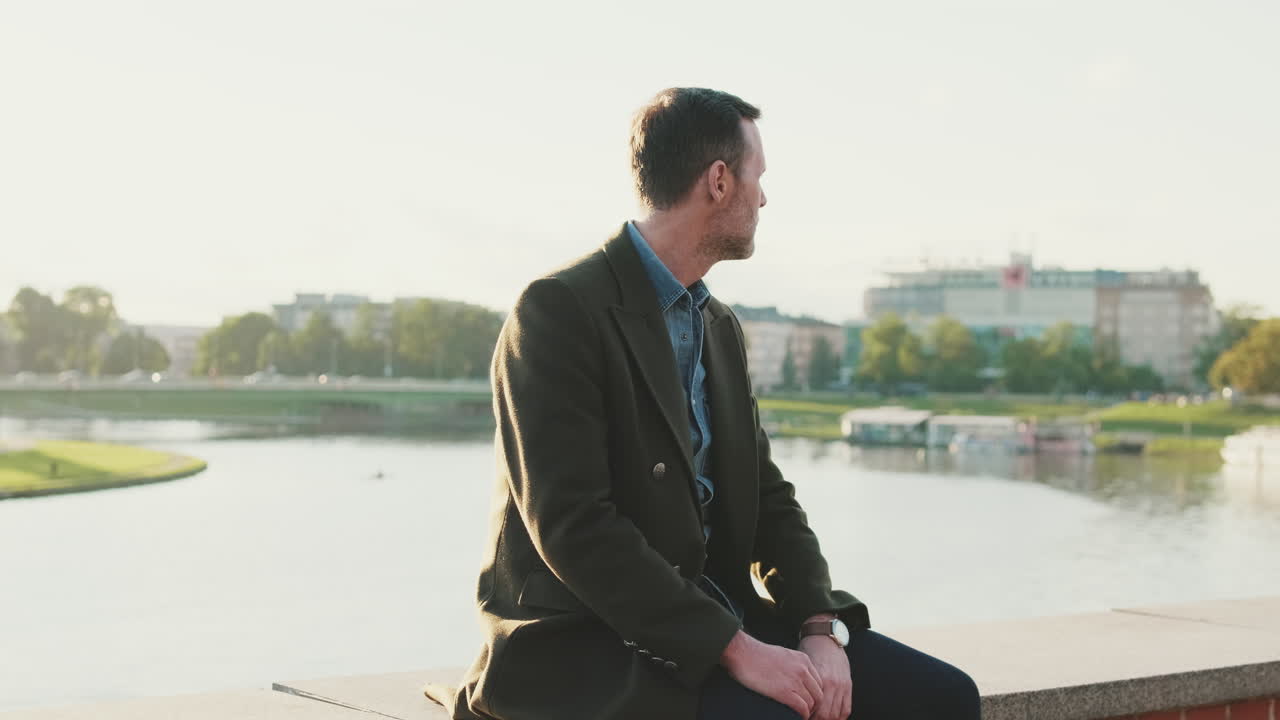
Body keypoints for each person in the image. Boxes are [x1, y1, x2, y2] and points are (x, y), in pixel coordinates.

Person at [425, 87, 981, 720]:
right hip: (591, 645)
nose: (764, 197)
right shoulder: (558, 310)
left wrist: (819, 627)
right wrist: (736, 649)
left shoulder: (718, 325)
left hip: (719, 624)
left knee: (943, 699)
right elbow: (574, 527)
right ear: (719, 180)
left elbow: (768, 497)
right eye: (757, 177)